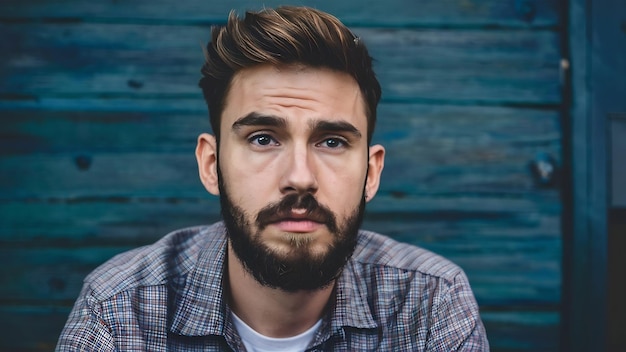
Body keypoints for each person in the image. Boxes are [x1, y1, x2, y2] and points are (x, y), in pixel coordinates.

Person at [56, 6, 488, 351]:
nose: (300, 178)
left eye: (332, 142)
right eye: (263, 138)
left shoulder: (432, 303)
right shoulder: (118, 312)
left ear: (371, 172)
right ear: (211, 164)